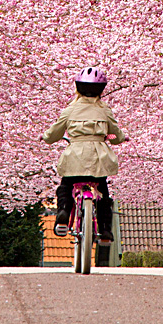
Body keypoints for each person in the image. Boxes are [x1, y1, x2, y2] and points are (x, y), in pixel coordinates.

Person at [42, 67, 126, 242]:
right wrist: (117, 138)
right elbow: (115, 136)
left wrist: (46, 137)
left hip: (75, 157)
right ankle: (105, 229)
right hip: (98, 159)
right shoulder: (105, 111)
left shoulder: (70, 110)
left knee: (66, 185)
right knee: (102, 191)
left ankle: (64, 211)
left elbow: (53, 135)